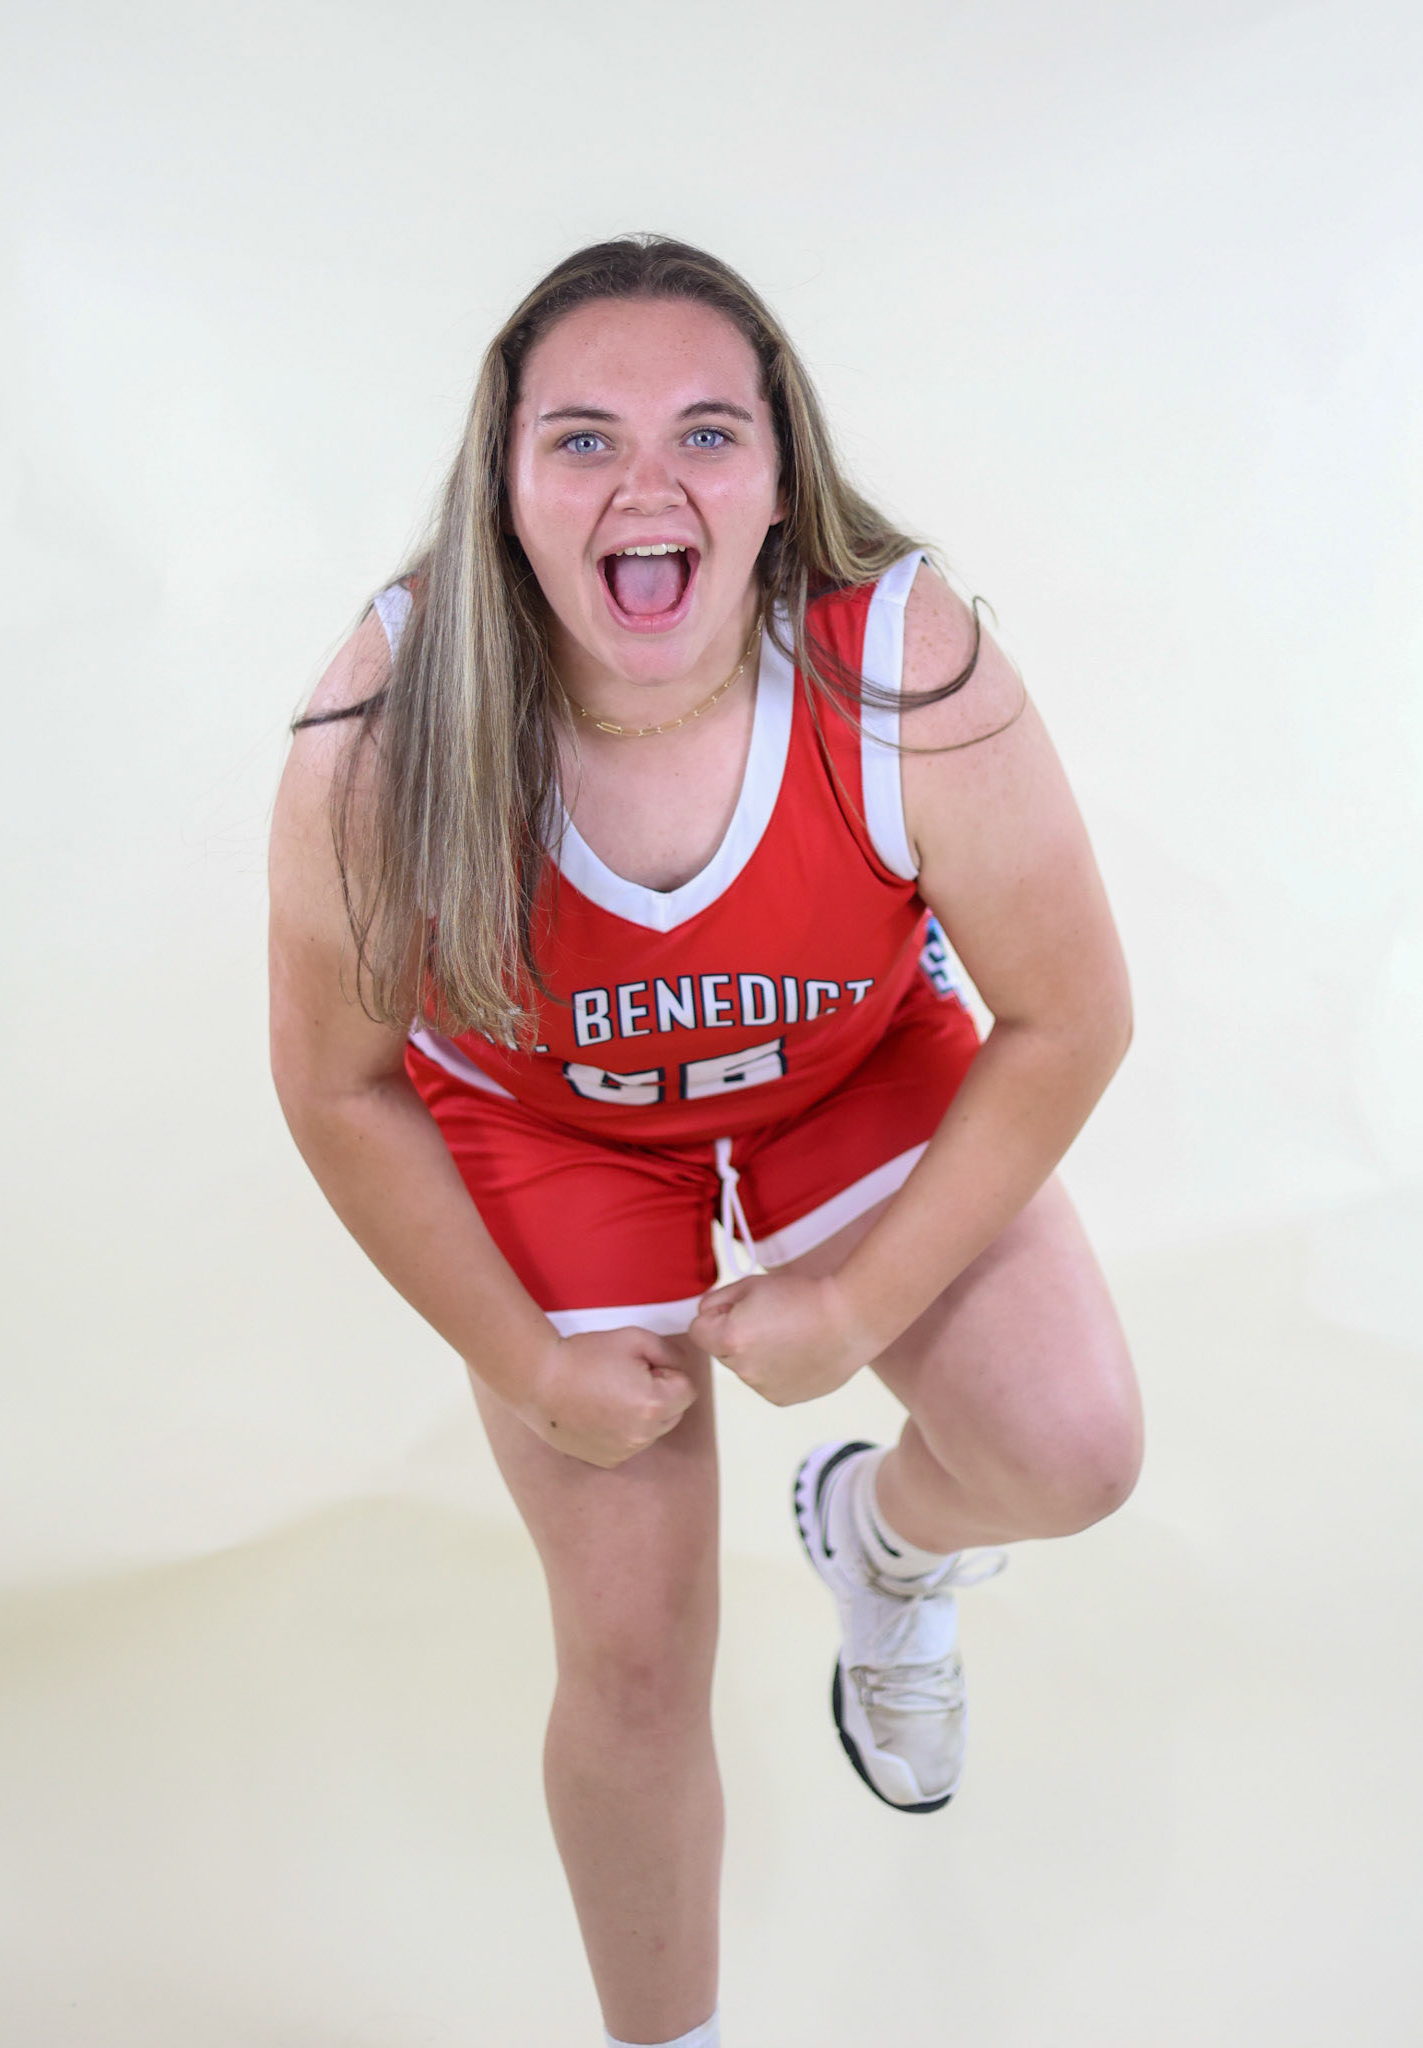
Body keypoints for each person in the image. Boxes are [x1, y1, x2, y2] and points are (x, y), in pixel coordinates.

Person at [268, 234, 1143, 2048]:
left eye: (706, 435)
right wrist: (521, 1358)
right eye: (580, 440)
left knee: (1069, 1454)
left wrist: (845, 1311)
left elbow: (1072, 1019)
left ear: (777, 475)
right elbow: (339, 1082)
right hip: (545, 1127)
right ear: (501, 491)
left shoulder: (899, 656)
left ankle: (882, 1543)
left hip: (845, 1069)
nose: (646, 484)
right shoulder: (383, 721)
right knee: (639, 1656)